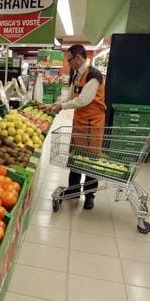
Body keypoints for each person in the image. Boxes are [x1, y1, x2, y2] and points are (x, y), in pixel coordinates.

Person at [48, 44, 106, 210]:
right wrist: (57, 104)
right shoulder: (76, 75)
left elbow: (83, 100)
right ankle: (73, 190)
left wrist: (62, 107)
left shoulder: (93, 75)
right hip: (79, 123)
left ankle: (89, 196)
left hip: (92, 125)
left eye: (69, 59)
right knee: (75, 157)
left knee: (89, 161)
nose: (68, 62)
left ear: (78, 58)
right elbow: (70, 96)